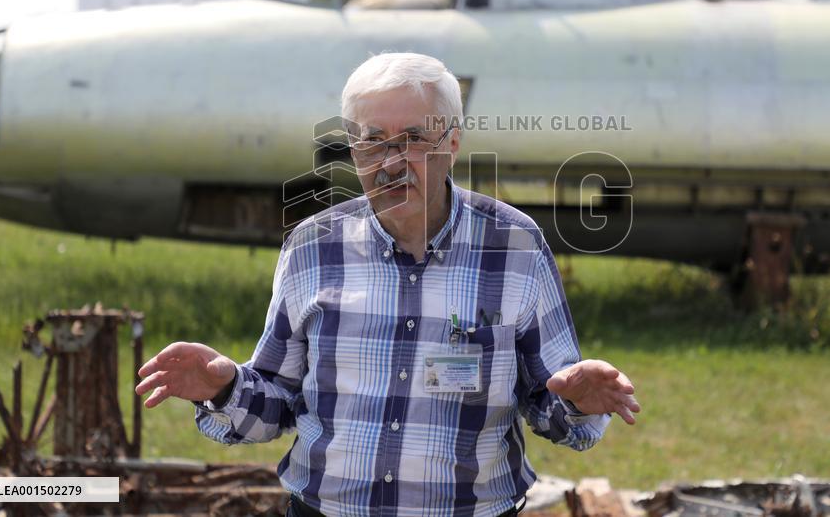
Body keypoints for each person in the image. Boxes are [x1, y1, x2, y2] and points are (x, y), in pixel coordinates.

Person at [135, 53, 640, 517]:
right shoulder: (313, 246)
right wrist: (225, 390)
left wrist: (577, 402)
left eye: (415, 139)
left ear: (454, 143)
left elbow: (547, 403)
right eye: (373, 140)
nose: (392, 161)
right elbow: (278, 404)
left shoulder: (514, 246)